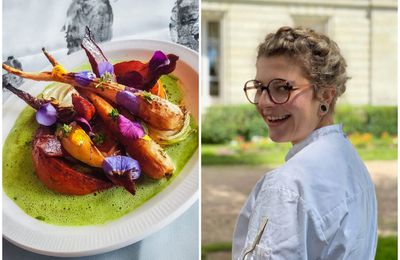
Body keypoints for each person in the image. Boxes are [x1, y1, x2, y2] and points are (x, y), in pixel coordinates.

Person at [232, 26, 377, 259]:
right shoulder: (352, 163)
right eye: (260, 87)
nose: (264, 102)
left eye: (282, 88)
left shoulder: (285, 187)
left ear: (325, 96)